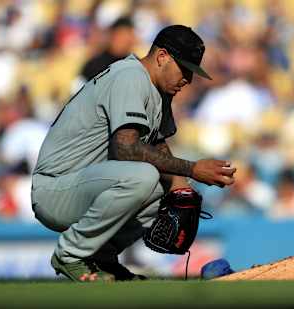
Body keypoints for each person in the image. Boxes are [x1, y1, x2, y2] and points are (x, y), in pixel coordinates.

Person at [31, 25, 236, 282]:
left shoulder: (158, 89)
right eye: (185, 69)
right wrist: (193, 169)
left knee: (162, 185)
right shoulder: (130, 76)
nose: (188, 80)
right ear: (162, 57)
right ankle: (70, 254)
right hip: (55, 189)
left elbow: (157, 142)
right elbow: (126, 148)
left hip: (86, 184)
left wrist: (181, 187)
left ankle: (101, 258)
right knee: (143, 177)